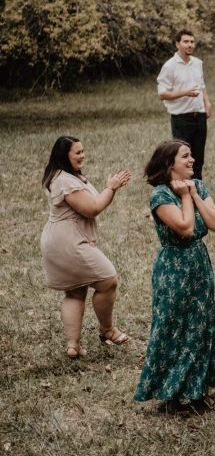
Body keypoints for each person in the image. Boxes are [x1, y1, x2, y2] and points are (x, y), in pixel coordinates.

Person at [134, 141, 215, 412]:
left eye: (191, 154)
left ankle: (198, 392)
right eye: (185, 156)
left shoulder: (198, 185)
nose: (192, 159)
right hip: (174, 268)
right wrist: (185, 197)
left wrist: (193, 193)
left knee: (202, 324)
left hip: (199, 263)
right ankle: (171, 396)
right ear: (169, 164)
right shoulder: (161, 196)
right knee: (173, 326)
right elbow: (186, 228)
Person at [40, 136, 132, 358]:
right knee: (108, 281)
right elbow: (92, 208)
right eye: (77, 152)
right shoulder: (65, 181)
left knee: (75, 290)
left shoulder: (64, 176)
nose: (82, 156)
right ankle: (107, 329)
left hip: (61, 239)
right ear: (64, 156)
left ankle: (73, 346)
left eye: (83, 151)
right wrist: (111, 188)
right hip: (69, 242)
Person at [157, 29, 211, 180]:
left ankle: (198, 191)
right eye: (186, 42)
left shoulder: (198, 63)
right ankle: (182, 191)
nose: (190, 45)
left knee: (198, 158)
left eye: (192, 42)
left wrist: (207, 102)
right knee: (182, 160)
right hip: (181, 118)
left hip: (199, 117)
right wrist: (185, 92)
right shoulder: (169, 66)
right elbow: (162, 94)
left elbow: (202, 85)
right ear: (177, 44)